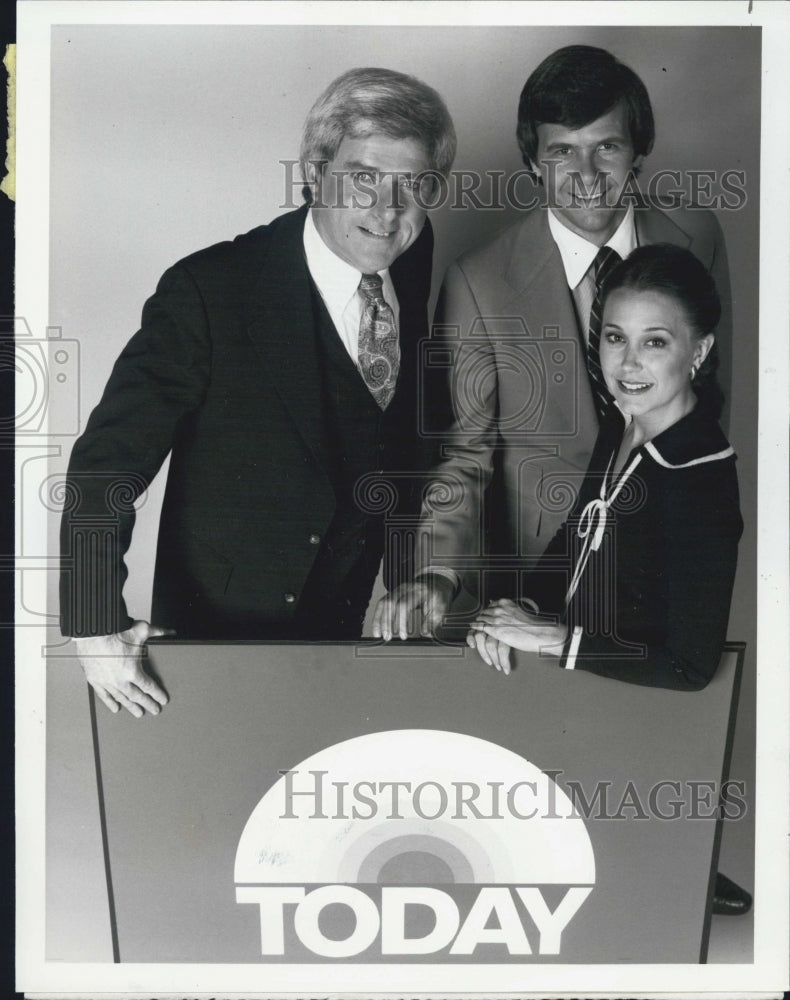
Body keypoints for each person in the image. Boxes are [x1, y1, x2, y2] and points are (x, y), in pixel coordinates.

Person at [59, 67, 456, 717]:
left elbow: (400, 430)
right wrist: (92, 621)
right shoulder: (209, 292)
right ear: (316, 169)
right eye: (364, 179)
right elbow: (106, 462)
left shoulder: (410, 254)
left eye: (414, 186)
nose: (388, 212)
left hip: (344, 643)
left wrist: (415, 568)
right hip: (210, 655)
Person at [372, 44, 732, 642]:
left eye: (606, 147)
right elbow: (465, 453)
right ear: (534, 161)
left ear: (638, 150)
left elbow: (714, 405)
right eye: (562, 150)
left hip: (668, 570)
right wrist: (436, 572)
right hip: (536, 582)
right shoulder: (477, 280)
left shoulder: (698, 236)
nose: (587, 176)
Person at [465, 243, 750, 915]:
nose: (628, 364)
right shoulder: (626, 428)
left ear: (700, 353)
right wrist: (519, 607)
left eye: (656, 342)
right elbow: (575, 539)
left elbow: (687, 666)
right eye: (615, 338)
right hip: (576, 706)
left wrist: (548, 639)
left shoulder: (699, 478)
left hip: (639, 734)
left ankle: (669, 857)